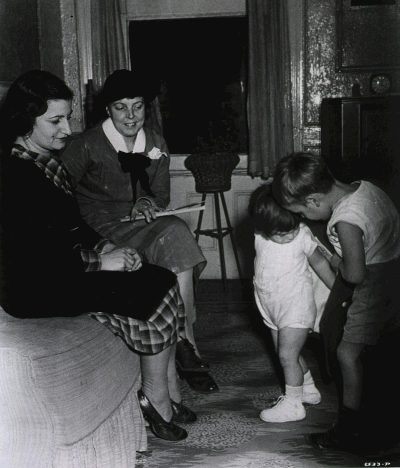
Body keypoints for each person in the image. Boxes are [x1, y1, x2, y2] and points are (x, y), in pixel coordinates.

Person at [0, 69, 197, 442]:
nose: (67, 129)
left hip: (59, 271)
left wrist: (105, 245)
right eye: (55, 120)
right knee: (152, 291)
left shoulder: (45, 161)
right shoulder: (14, 174)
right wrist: (99, 263)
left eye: (68, 117)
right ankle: (156, 400)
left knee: (162, 278)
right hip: (32, 289)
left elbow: (72, 226)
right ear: (25, 120)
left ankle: (162, 393)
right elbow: (31, 258)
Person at [60, 69, 218, 393]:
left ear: (147, 107)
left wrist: (147, 202)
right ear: (107, 109)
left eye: (138, 106)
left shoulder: (156, 142)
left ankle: (186, 338)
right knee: (174, 237)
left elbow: (160, 194)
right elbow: (58, 195)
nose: (131, 116)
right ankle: (186, 346)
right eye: (121, 107)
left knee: (175, 232)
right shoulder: (86, 144)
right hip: (97, 227)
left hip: (139, 224)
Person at [272, 152, 400, 451]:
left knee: (348, 354)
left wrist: (331, 256)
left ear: (314, 200)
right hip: (396, 270)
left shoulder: (345, 219)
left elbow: (354, 274)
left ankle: (349, 428)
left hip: (375, 285)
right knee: (383, 348)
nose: (304, 218)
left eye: (302, 212)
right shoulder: (366, 187)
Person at [249, 185, 335, 423]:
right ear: (263, 228)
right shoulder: (259, 234)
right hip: (270, 306)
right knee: (285, 353)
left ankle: (293, 404)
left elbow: (320, 265)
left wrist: (337, 292)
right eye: (279, 232)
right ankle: (308, 390)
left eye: (291, 229)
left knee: (288, 354)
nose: (287, 236)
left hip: (296, 306)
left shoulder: (302, 235)